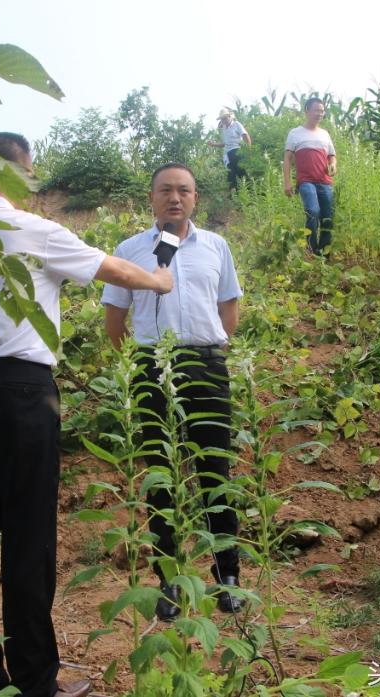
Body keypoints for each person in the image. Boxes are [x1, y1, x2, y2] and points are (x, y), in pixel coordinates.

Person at [0, 133, 173, 697]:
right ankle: (34, 680)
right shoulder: (33, 231)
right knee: (28, 535)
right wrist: (158, 278)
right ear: (8, 173)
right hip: (23, 392)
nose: (33, 184)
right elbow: (114, 271)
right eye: (29, 173)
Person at [101, 163, 243, 621]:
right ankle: (169, 579)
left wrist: (212, 349)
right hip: (150, 367)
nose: (175, 198)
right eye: (166, 190)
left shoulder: (217, 247)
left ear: (195, 198)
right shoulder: (128, 250)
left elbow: (229, 307)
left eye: (184, 190)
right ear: (152, 197)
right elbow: (114, 321)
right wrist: (140, 363)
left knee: (214, 470)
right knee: (160, 475)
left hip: (205, 364)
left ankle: (228, 577)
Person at [283, 97, 337, 256]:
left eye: (322, 111)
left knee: (327, 218)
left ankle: (325, 253)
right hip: (306, 181)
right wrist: (287, 183)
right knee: (313, 211)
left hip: (325, 181)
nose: (320, 114)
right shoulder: (295, 133)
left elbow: (332, 156)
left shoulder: (325, 134)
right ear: (307, 111)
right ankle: (312, 250)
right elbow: (287, 159)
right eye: (316, 110)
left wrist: (333, 165)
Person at [209, 108, 252, 189]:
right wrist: (213, 144)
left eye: (225, 118)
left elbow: (246, 136)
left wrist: (249, 150)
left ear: (229, 116)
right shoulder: (223, 129)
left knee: (241, 172)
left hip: (237, 150)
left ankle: (250, 191)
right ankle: (234, 195)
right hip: (227, 154)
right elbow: (224, 144)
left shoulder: (236, 124)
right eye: (222, 119)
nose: (224, 120)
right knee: (231, 174)